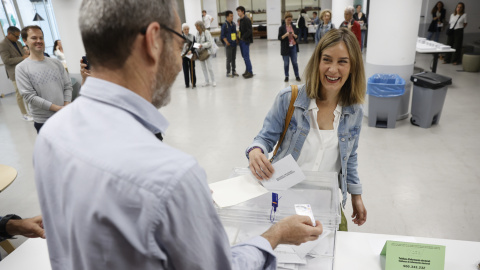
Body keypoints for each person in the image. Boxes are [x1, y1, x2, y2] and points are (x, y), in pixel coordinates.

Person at [34, 1, 323, 269]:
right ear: (152, 41)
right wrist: (275, 235)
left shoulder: (51, 135)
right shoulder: (172, 176)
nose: (179, 56)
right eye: (178, 42)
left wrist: (181, 207)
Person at [246, 28, 367, 232]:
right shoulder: (289, 99)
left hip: (325, 204)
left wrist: (356, 195)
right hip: (284, 198)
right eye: (327, 59)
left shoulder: (354, 111)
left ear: (353, 66)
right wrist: (255, 151)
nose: (333, 69)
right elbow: (264, 138)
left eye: (342, 62)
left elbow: (350, 156)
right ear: (317, 61)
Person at [16, 25, 72, 133]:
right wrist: (59, 109)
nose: (39, 41)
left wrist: (66, 105)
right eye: (34, 38)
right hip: (44, 121)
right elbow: (30, 96)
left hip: (64, 116)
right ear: (25, 41)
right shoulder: (21, 68)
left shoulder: (56, 63)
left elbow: (67, 86)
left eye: (41, 38)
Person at [0, 26, 32, 121]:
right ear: (9, 34)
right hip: (14, 73)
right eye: (16, 36)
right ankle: (24, 114)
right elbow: (6, 60)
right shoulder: (3, 45)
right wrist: (22, 58)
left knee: (27, 91)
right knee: (19, 94)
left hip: (24, 71)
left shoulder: (17, 43)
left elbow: (23, 55)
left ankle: (30, 111)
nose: (18, 38)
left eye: (19, 36)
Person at [279, 12, 300, 83]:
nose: (289, 21)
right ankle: (286, 76)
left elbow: (297, 36)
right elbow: (279, 38)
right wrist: (285, 35)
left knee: (294, 62)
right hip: (285, 47)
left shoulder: (294, 27)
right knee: (286, 63)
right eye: (288, 20)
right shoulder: (281, 28)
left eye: (290, 20)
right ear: (285, 19)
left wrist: (294, 35)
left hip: (293, 46)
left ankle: (297, 75)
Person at [195, 20, 216, 87]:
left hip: (207, 52)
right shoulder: (197, 34)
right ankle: (206, 81)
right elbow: (196, 43)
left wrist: (202, 45)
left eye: (197, 26)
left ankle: (213, 81)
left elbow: (210, 42)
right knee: (203, 68)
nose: (196, 27)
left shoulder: (206, 32)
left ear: (201, 26)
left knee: (210, 67)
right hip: (200, 53)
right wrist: (196, 46)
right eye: (196, 26)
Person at [237, 6, 254, 79]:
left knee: (246, 57)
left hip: (245, 41)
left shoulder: (246, 20)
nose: (238, 13)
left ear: (243, 11)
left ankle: (250, 72)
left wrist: (243, 38)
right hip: (241, 40)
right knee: (244, 56)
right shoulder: (241, 20)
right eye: (237, 11)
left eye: (239, 11)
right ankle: (247, 70)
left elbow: (249, 31)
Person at [221, 10, 239, 78]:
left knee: (234, 58)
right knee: (229, 59)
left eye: (232, 16)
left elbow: (235, 33)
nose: (232, 17)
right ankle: (228, 72)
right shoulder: (224, 25)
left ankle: (234, 71)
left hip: (234, 44)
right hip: (228, 44)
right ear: (227, 17)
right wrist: (226, 42)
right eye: (231, 16)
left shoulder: (233, 24)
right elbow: (222, 36)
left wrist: (236, 40)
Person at [181, 23, 196, 88]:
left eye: (187, 29)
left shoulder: (192, 36)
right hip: (183, 55)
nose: (186, 30)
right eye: (185, 29)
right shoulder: (180, 37)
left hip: (191, 55)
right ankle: (187, 84)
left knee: (192, 69)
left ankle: (193, 83)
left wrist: (191, 50)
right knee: (185, 69)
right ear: (183, 30)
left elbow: (195, 45)